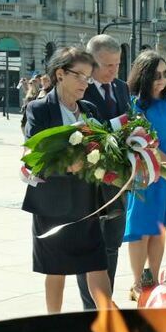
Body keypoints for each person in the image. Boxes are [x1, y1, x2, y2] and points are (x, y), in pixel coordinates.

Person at [22, 47, 113, 312]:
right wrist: (69, 164)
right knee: (56, 269)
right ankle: (53, 326)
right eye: (80, 76)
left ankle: (112, 321)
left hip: (87, 204)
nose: (85, 83)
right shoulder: (38, 109)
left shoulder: (90, 109)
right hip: (52, 205)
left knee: (97, 264)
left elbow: (105, 146)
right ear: (60, 74)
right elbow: (35, 153)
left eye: (88, 77)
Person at [122, 49, 166, 304]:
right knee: (142, 229)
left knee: (160, 229)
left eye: (165, 74)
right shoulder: (136, 105)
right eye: (156, 75)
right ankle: (138, 283)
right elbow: (143, 140)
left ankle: (154, 280)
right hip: (148, 173)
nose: (161, 80)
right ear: (144, 76)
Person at [77, 34, 131, 309]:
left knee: (112, 245)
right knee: (88, 249)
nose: (114, 71)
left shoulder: (121, 88)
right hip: (90, 186)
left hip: (117, 184)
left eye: (118, 64)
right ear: (92, 63)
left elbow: (131, 123)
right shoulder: (80, 90)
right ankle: (91, 308)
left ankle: (105, 301)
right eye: (108, 65)